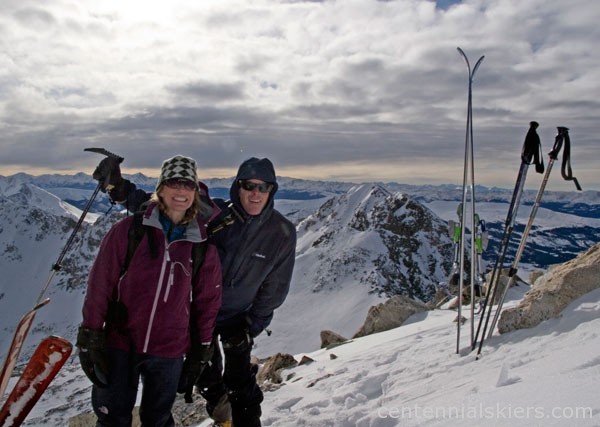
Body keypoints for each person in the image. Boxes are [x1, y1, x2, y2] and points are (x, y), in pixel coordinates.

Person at [93, 156, 297, 427]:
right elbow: (166, 206)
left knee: (240, 382)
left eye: (264, 187)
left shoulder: (281, 232)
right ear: (238, 187)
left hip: (240, 317)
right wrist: (118, 188)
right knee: (207, 376)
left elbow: (276, 286)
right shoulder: (217, 215)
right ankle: (224, 418)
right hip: (199, 312)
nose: (256, 193)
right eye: (249, 186)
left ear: (273, 190)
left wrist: (251, 325)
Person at [77, 155, 223, 427]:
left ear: (195, 191)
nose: (180, 191)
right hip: (121, 341)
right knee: (112, 418)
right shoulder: (129, 231)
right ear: (161, 187)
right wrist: (91, 332)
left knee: (158, 420)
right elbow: (100, 284)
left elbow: (207, 302)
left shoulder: (202, 245)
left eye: (188, 184)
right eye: (173, 182)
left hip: (169, 349)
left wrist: (202, 349)